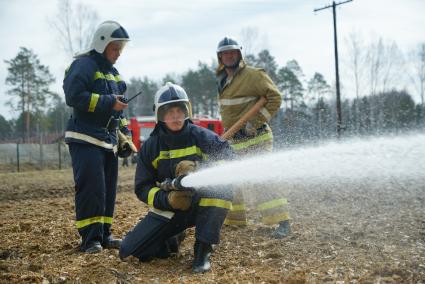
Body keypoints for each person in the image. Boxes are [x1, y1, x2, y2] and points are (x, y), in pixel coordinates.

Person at [120, 82, 234, 273]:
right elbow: (142, 188)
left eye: (179, 110)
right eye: (169, 111)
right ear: (160, 115)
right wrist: (167, 199)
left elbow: (230, 161)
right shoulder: (150, 147)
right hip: (171, 207)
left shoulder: (202, 137)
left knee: (222, 188)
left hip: (202, 203)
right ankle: (173, 236)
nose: (175, 116)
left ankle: (203, 249)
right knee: (131, 250)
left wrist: (200, 170)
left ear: (186, 111)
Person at [63, 20, 137, 253]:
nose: (118, 54)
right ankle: (90, 240)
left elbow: (119, 108)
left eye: (120, 50)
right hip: (85, 138)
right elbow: (74, 96)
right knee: (91, 189)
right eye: (115, 49)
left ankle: (104, 235)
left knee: (107, 191)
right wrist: (108, 102)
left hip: (108, 142)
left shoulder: (113, 74)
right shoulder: (84, 65)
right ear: (102, 44)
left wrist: (126, 135)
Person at [215, 36, 291, 238]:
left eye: (232, 52)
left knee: (261, 178)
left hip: (256, 137)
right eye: (225, 53)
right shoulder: (222, 80)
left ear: (239, 54)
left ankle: (282, 222)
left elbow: (275, 97)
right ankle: (235, 222)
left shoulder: (253, 75)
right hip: (234, 140)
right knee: (232, 180)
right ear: (220, 57)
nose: (229, 55)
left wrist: (253, 123)